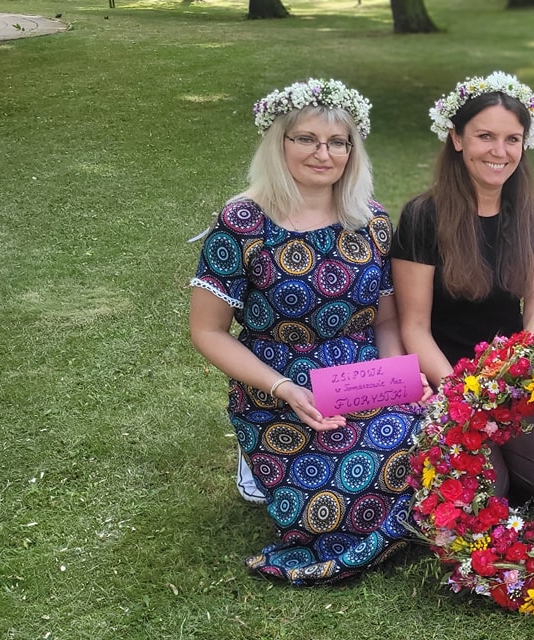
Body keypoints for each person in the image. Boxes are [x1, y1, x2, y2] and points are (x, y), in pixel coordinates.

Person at [190, 79, 429, 584]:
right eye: (306, 139)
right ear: (279, 143)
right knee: (329, 502)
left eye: (337, 142)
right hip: (279, 386)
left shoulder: (371, 221)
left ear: (352, 150)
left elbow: (385, 320)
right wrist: (284, 388)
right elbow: (208, 332)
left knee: (429, 444)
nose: (323, 153)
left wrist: (396, 377)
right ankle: (256, 461)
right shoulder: (242, 223)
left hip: (362, 376)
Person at [391, 71, 534, 505]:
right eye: (485, 136)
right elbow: (413, 326)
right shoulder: (423, 216)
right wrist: (459, 394)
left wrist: (527, 368)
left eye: (512, 139)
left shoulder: (529, 212)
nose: (499, 151)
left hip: (508, 372)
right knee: (489, 491)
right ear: (456, 138)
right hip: (445, 373)